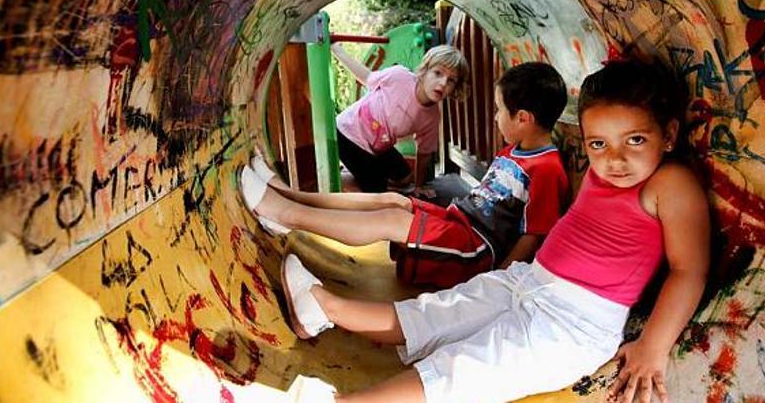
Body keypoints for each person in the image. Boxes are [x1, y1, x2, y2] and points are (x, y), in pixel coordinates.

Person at [274, 59, 711, 403]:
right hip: (528, 281)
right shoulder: (605, 172)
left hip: (573, 324)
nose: (614, 158)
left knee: (468, 367)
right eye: (599, 144)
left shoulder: (670, 184)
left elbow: (688, 270)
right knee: (437, 312)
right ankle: (325, 309)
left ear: (668, 134)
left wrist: (654, 345)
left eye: (634, 140)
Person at [241, 62, 570, 288]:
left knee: (389, 220)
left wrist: (498, 282)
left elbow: (533, 235)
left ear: (523, 118)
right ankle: (288, 194)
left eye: (499, 109)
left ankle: (286, 215)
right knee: (392, 200)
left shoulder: (547, 170)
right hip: (459, 221)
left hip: (476, 250)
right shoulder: (513, 151)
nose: (496, 117)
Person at [331, 42, 469, 193]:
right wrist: (338, 51)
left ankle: (365, 173)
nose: (443, 83)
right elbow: (367, 77)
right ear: (424, 70)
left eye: (451, 80)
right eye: (438, 73)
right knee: (376, 189)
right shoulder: (399, 77)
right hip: (347, 133)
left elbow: (424, 153)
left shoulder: (432, 117)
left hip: (379, 145)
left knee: (404, 178)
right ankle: (342, 182)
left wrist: (419, 186)